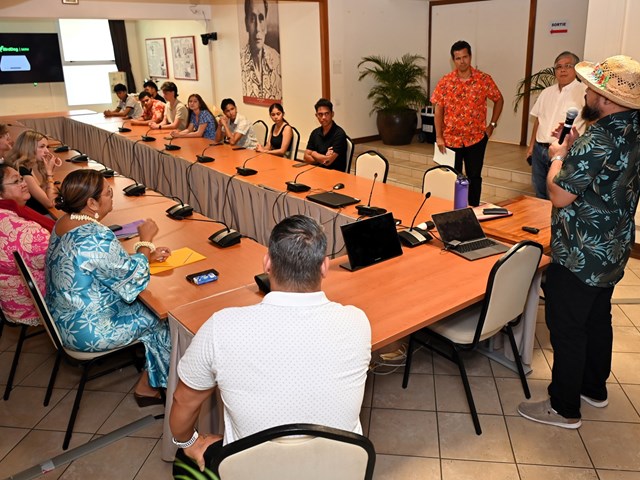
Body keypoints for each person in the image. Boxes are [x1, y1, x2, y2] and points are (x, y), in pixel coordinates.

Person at [170, 215, 371, 473]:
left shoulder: (221, 327)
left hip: (252, 473)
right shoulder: (357, 321)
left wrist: (188, 442)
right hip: (338, 470)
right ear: (324, 267)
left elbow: (183, 401)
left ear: (267, 263)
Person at [518, 55, 640, 429]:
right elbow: (602, 177)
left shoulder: (598, 137)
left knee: (567, 327)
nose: (585, 93)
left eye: (590, 88)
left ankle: (564, 407)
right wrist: (575, 149)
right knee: (598, 318)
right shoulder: (633, 129)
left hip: (580, 252)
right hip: (613, 248)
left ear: (606, 98)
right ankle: (593, 388)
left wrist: (559, 156)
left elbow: (559, 195)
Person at [45, 169, 173, 405]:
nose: (112, 196)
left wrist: (145, 257)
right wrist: (145, 242)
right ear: (91, 203)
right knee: (164, 317)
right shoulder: (95, 235)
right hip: (88, 330)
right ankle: (148, 389)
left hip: (62, 317)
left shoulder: (64, 222)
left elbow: (100, 264)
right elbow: (134, 279)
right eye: (108, 193)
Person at [431, 40, 504, 206]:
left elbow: (499, 100)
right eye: (458, 58)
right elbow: (438, 110)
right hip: (450, 140)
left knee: (474, 177)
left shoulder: (483, 79)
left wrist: (492, 125)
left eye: (465, 57)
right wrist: (439, 137)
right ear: (453, 60)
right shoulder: (445, 81)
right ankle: (452, 209)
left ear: (470, 57)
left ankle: (473, 209)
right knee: (451, 177)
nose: (462, 61)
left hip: (476, 139)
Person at [526, 51, 587, 199]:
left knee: (557, 194)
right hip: (540, 150)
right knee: (539, 193)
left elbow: (590, 121)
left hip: (565, 152)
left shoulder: (583, 92)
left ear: (576, 69)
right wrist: (531, 146)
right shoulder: (546, 92)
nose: (562, 70)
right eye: (559, 67)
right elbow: (539, 120)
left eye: (568, 66)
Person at [0, 165, 54, 326]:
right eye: (16, 181)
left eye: (22, 179)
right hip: (35, 304)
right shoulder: (24, 231)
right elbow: (62, 260)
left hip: (11, 302)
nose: (24, 184)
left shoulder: (9, 215)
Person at [5, 130, 60, 215]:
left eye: (47, 147)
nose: (47, 151)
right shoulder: (22, 171)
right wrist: (49, 174)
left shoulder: (26, 166)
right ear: (28, 148)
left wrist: (47, 172)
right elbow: (50, 203)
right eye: (42, 147)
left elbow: (41, 190)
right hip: (36, 215)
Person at [241, 0, 282, 101]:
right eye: (252, 19)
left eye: (261, 18)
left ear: (266, 25)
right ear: (246, 23)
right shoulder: (240, 60)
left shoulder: (277, 59)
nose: (257, 28)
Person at [303, 98, 348, 171]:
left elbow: (327, 162)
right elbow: (306, 157)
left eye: (326, 114)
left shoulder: (339, 134)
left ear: (332, 114)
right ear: (316, 115)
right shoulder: (315, 133)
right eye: (320, 114)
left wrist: (313, 153)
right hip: (317, 171)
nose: (323, 117)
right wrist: (322, 158)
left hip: (334, 174)